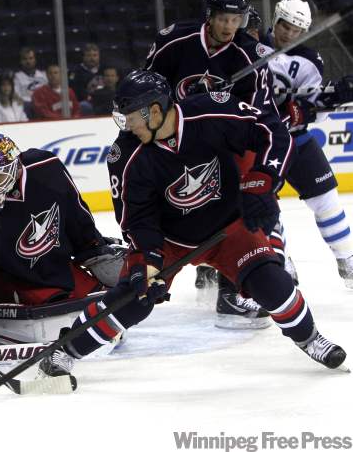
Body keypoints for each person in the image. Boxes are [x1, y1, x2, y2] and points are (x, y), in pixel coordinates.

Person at [38, 70, 347, 384]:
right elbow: (137, 219)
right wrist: (149, 264)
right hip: (170, 241)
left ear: (155, 111)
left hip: (229, 227)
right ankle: (65, 350)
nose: (127, 125)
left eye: (131, 117)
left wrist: (262, 183)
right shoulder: (126, 155)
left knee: (271, 282)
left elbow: (272, 133)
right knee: (134, 299)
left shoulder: (210, 113)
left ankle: (310, 339)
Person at [144, 0, 278, 327]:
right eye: (223, 19)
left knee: (237, 208)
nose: (229, 27)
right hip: (177, 139)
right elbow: (147, 91)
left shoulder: (251, 55)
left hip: (228, 145)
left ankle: (231, 292)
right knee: (176, 207)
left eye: (236, 21)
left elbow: (260, 118)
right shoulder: (175, 41)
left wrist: (223, 106)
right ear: (210, 16)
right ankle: (145, 281)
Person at [0, 133, 125, 359]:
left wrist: (94, 249)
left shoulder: (48, 168)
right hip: (8, 278)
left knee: (108, 297)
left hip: (54, 267)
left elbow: (77, 215)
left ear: (17, 164)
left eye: (0, 173)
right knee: (54, 302)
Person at [260, 0, 353, 288]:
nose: (289, 34)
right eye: (285, 26)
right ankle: (279, 262)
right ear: (275, 20)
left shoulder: (311, 60)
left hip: (296, 141)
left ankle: (348, 258)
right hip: (259, 143)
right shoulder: (250, 49)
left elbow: (311, 109)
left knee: (326, 200)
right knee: (263, 205)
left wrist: (331, 98)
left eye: (296, 30)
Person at [68, 43, 102, 115]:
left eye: (95, 55)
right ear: (83, 57)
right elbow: (76, 91)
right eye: (89, 55)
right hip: (86, 101)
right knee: (84, 106)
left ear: (99, 56)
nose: (92, 58)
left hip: (103, 99)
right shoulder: (76, 72)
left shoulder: (105, 69)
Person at [13, 47, 47, 116]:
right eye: (25, 59)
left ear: (35, 60)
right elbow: (16, 98)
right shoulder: (16, 77)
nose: (28, 61)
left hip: (44, 108)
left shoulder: (44, 75)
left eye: (31, 58)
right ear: (20, 61)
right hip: (27, 110)